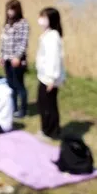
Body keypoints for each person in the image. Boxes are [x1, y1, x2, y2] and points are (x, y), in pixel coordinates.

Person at [36, 7, 65, 139]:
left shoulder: (53, 37)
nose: (41, 20)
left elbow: (54, 59)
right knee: (43, 103)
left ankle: (51, 131)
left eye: (44, 17)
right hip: (43, 77)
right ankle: (46, 128)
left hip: (49, 78)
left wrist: (51, 79)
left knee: (49, 105)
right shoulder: (47, 34)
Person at [0, 0, 30, 118]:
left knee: (19, 85)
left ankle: (23, 109)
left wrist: (17, 57)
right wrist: (2, 56)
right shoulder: (7, 23)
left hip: (17, 60)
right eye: (8, 9)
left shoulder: (23, 23)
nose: (9, 12)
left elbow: (23, 43)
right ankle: (13, 107)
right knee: (10, 84)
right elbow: (3, 41)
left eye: (12, 9)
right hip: (7, 58)